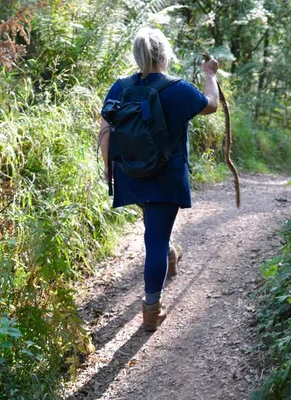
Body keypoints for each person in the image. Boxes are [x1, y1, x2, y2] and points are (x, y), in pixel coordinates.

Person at [99, 27, 219, 331]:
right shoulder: (179, 89)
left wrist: (108, 168)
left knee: (154, 227)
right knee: (155, 238)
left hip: (130, 175)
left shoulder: (120, 87)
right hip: (166, 177)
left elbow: (105, 131)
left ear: (136, 56)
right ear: (165, 54)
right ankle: (151, 309)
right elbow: (212, 104)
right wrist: (210, 75)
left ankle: (169, 253)